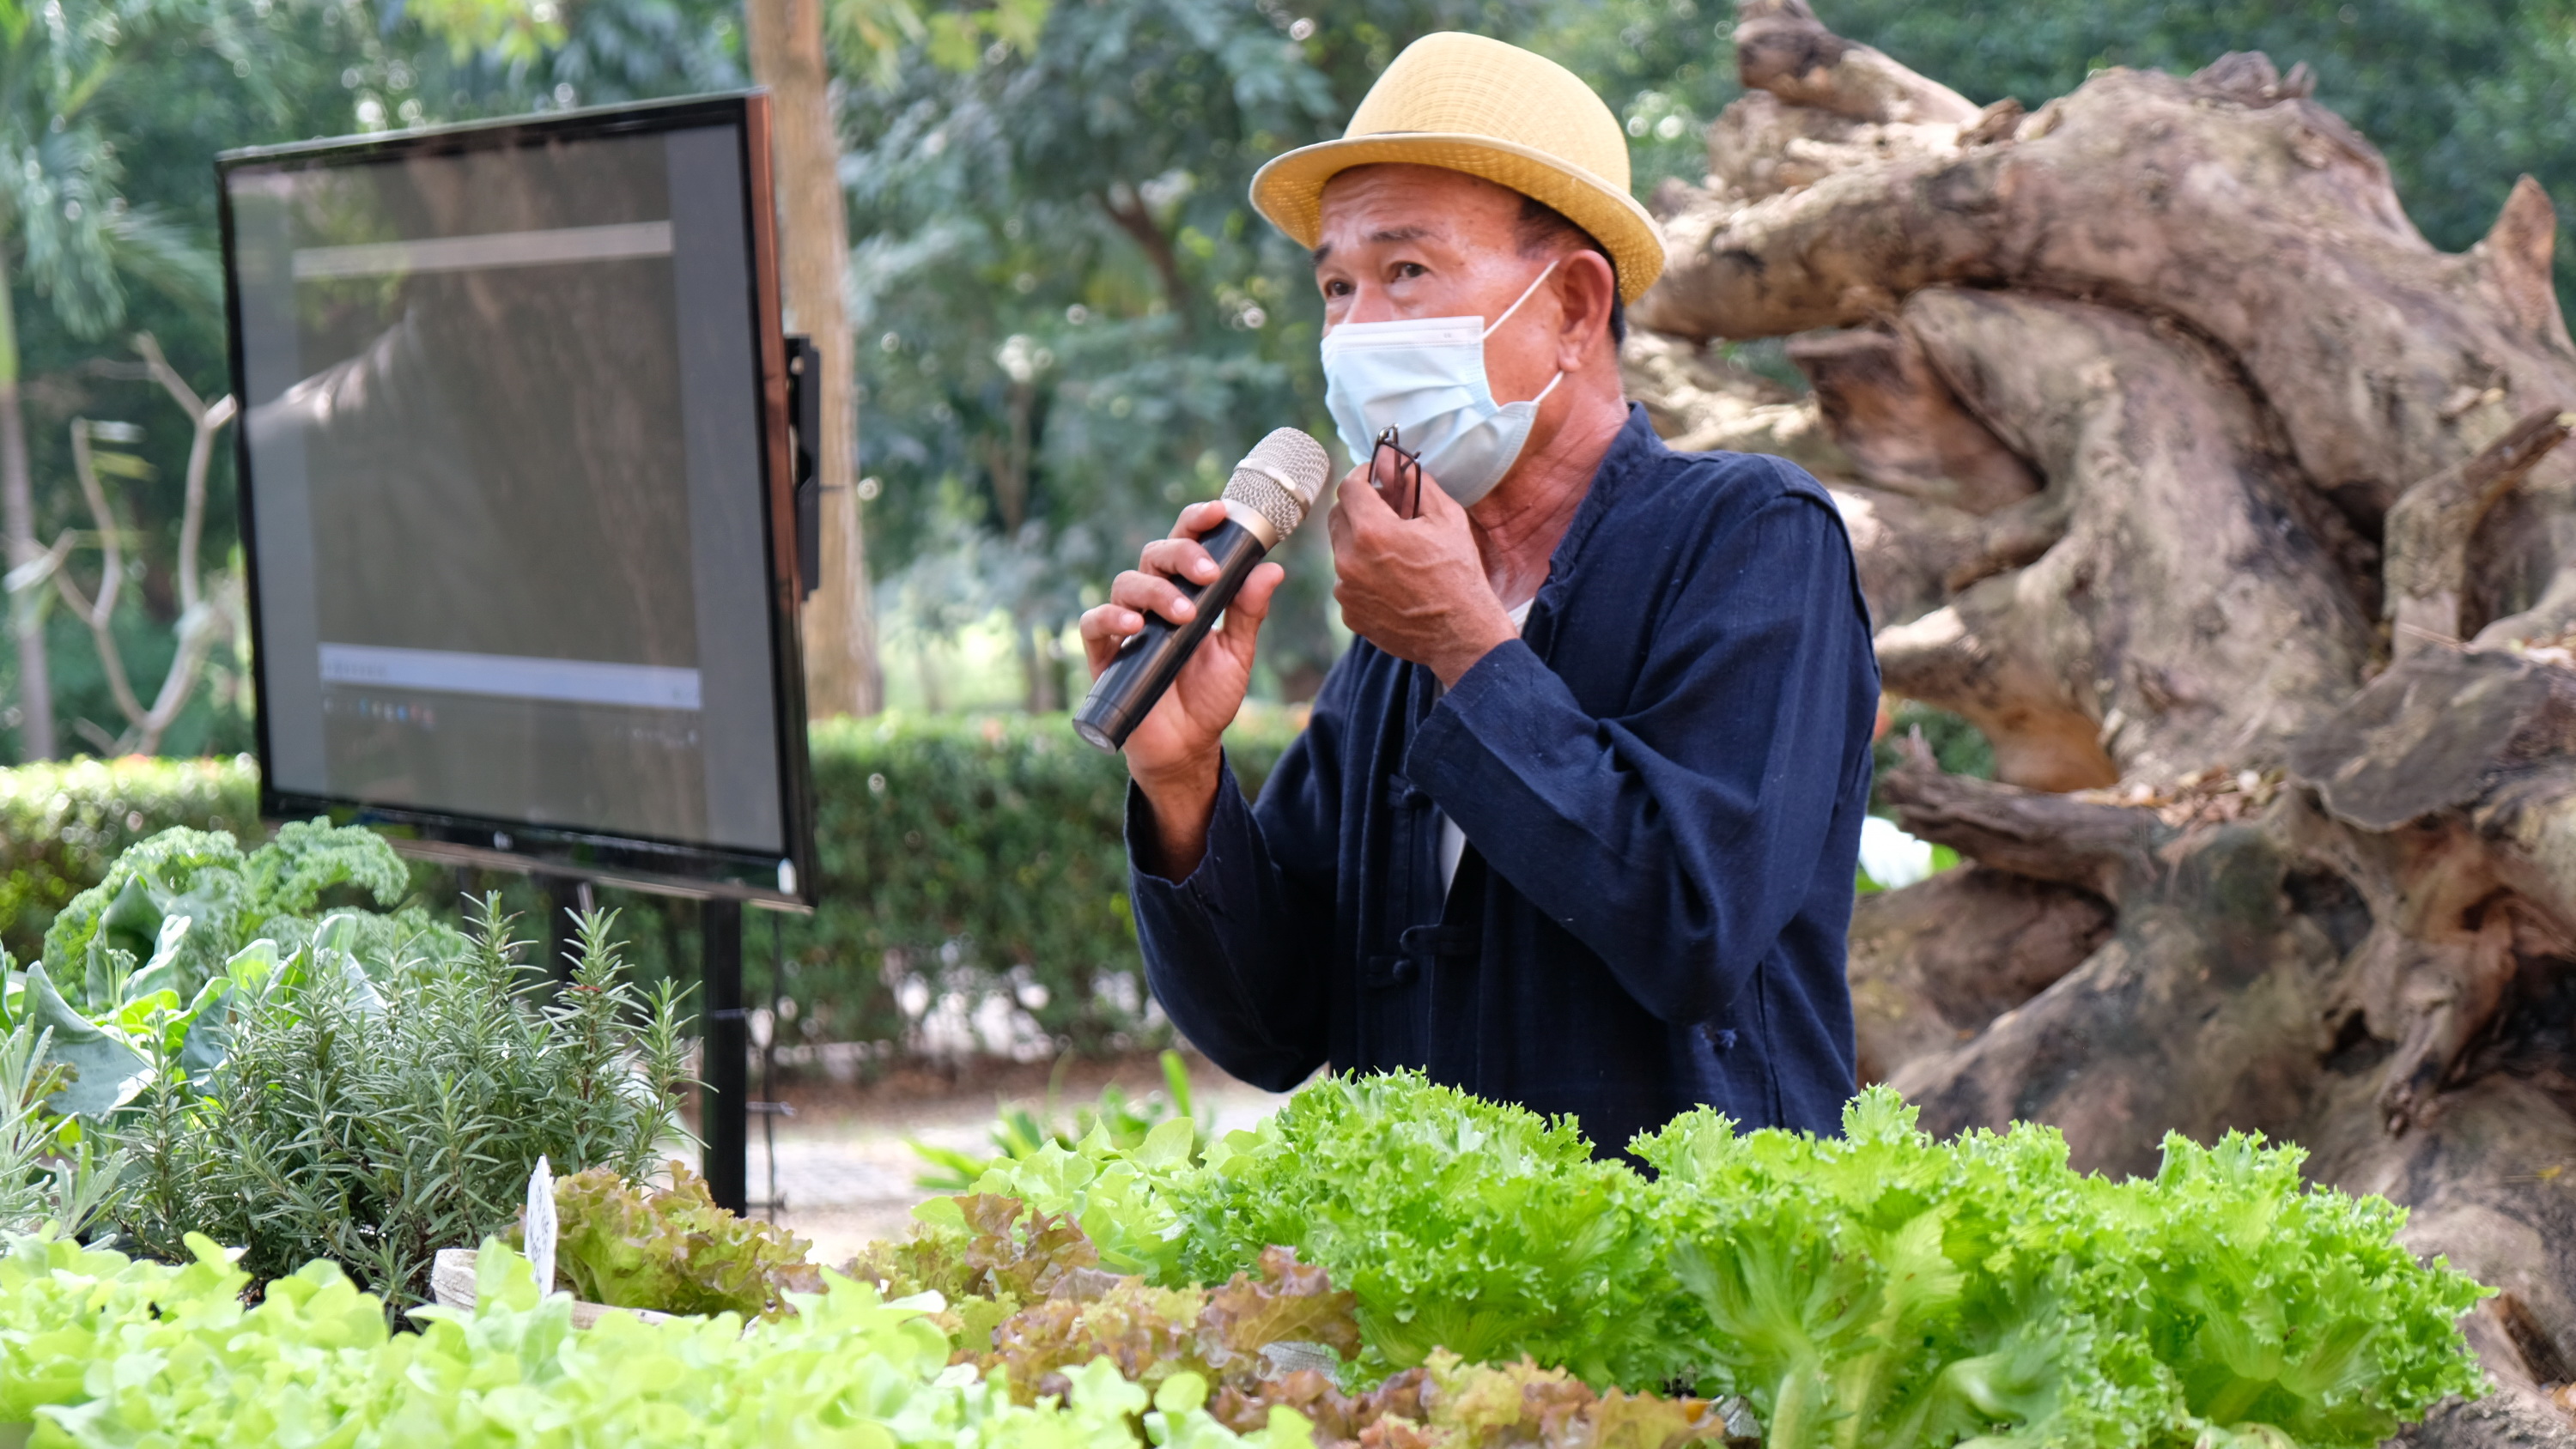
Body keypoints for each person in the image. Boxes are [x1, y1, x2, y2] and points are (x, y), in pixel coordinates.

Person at [1077, 31, 1880, 1155]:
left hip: (1697, 1289)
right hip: (1443, 1319)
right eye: (1337, 287)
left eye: (1406, 272)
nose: (1358, 333)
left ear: (1573, 308)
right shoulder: (1395, 626)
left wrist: (1466, 645)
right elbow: (1272, 1026)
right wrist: (1181, 781)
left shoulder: (1749, 536)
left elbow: (1696, 926)